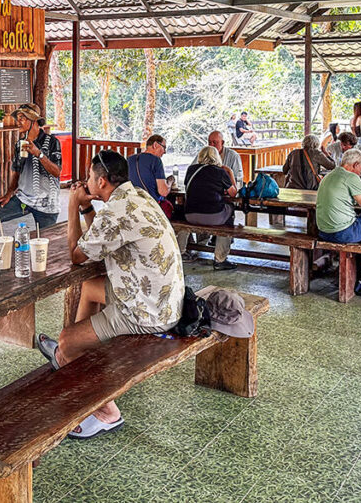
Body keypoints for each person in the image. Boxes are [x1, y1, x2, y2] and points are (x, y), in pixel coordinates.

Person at [34, 150, 184, 438]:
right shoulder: (137, 196)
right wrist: (86, 208)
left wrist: (72, 205)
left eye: (89, 177)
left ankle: (107, 412)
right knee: (89, 288)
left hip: (146, 311)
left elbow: (77, 255)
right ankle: (76, 353)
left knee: (66, 341)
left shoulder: (116, 212)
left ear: (101, 181)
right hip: (164, 299)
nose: (86, 182)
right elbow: (101, 239)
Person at [0, 104, 62, 243]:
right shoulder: (20, 144)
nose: (18, 122)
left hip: (47, 202)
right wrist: (9, 193)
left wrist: (38, 154)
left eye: (22, 118)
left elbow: (56, 172)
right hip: (23, 198)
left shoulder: (52, 142)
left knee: (45, 244)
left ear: (33, 120)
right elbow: (18, 171)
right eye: (17, 118)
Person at [176, 146, 239, 270]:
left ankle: (181, 253)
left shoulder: (191, 169)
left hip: (190, 216)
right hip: (213, 217)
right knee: (230, 211)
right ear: (216, 157)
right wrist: (230, 172)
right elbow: (233, 193)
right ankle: (220, 259)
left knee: (181, 216)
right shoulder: (220, 171)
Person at [314, 148, 361, 243]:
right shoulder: (352, 177)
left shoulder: (328, 176)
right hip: (343, 234)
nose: (360, 173)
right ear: (356, 164)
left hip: (323, 232)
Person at [127, 134, 170, 200]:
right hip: (150, 203)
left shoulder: (130, 159)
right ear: (155, 145)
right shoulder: (156, 160)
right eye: (164, 147)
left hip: (132, 201)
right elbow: (163, 192)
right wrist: (170, 181)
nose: (165, 152)